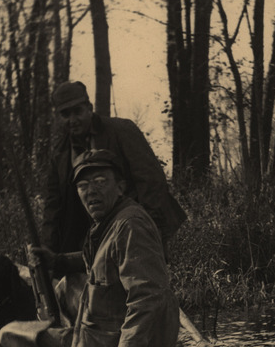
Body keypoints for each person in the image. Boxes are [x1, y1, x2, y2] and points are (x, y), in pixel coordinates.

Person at [0, 149, 180, 347]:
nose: (91, 191)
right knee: (70, 283)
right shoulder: (110, 222)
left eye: (101, 182)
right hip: (103, 338)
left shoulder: (130, 225)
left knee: (7, 337)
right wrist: (59, 261)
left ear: (120, 187)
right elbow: (99, 263)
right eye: (83, 185)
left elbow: (147, 294)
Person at [42, 81, 186, 267]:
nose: (72, 120)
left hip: (134, 224)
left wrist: (150, 231)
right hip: (91, 238)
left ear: (89, 108)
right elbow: (53, 206)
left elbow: (151, 182)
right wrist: (49, 252)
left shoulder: (121, 131)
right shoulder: (60, 153)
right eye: (65, 114)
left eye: (77, 111)